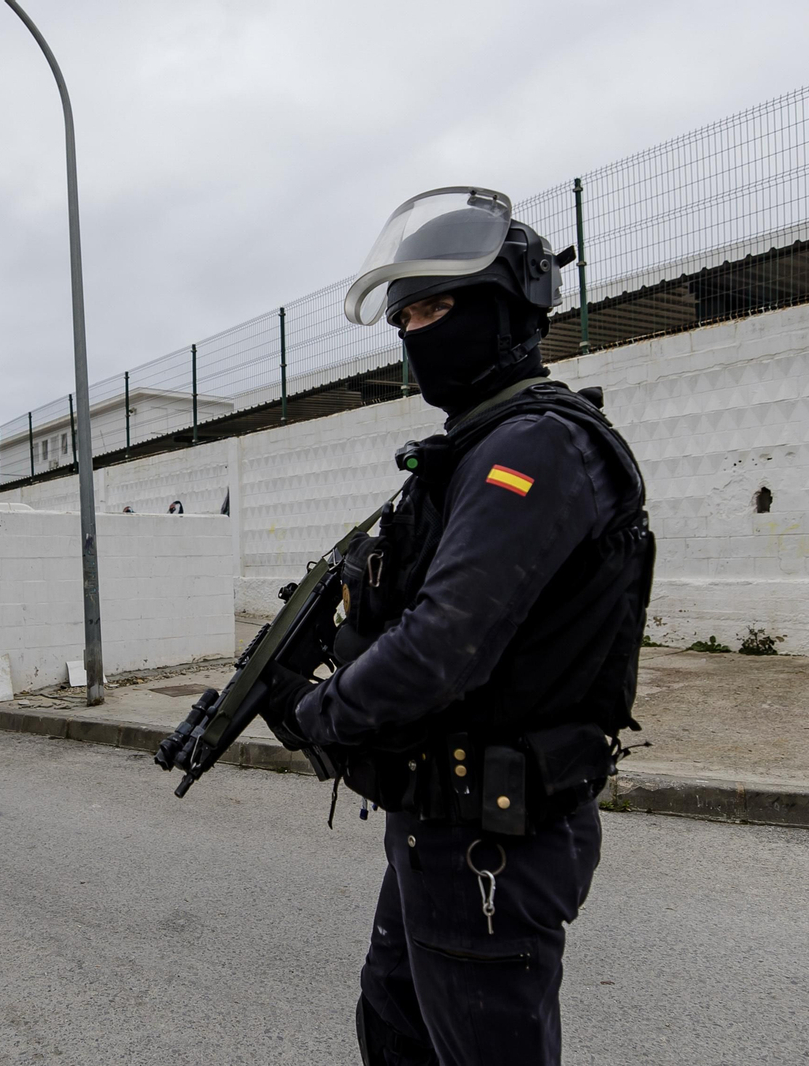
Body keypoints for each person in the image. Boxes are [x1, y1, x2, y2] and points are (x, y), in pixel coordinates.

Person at [273, 188, 654, 1066]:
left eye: (434, 309)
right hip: (435, 822)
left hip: (493, 840)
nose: (414, 336)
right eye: (403, 319)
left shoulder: (535, 446)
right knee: (395, 1030)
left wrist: (316, 715)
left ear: (508, 309)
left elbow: (442, 645)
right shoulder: (473, 450)